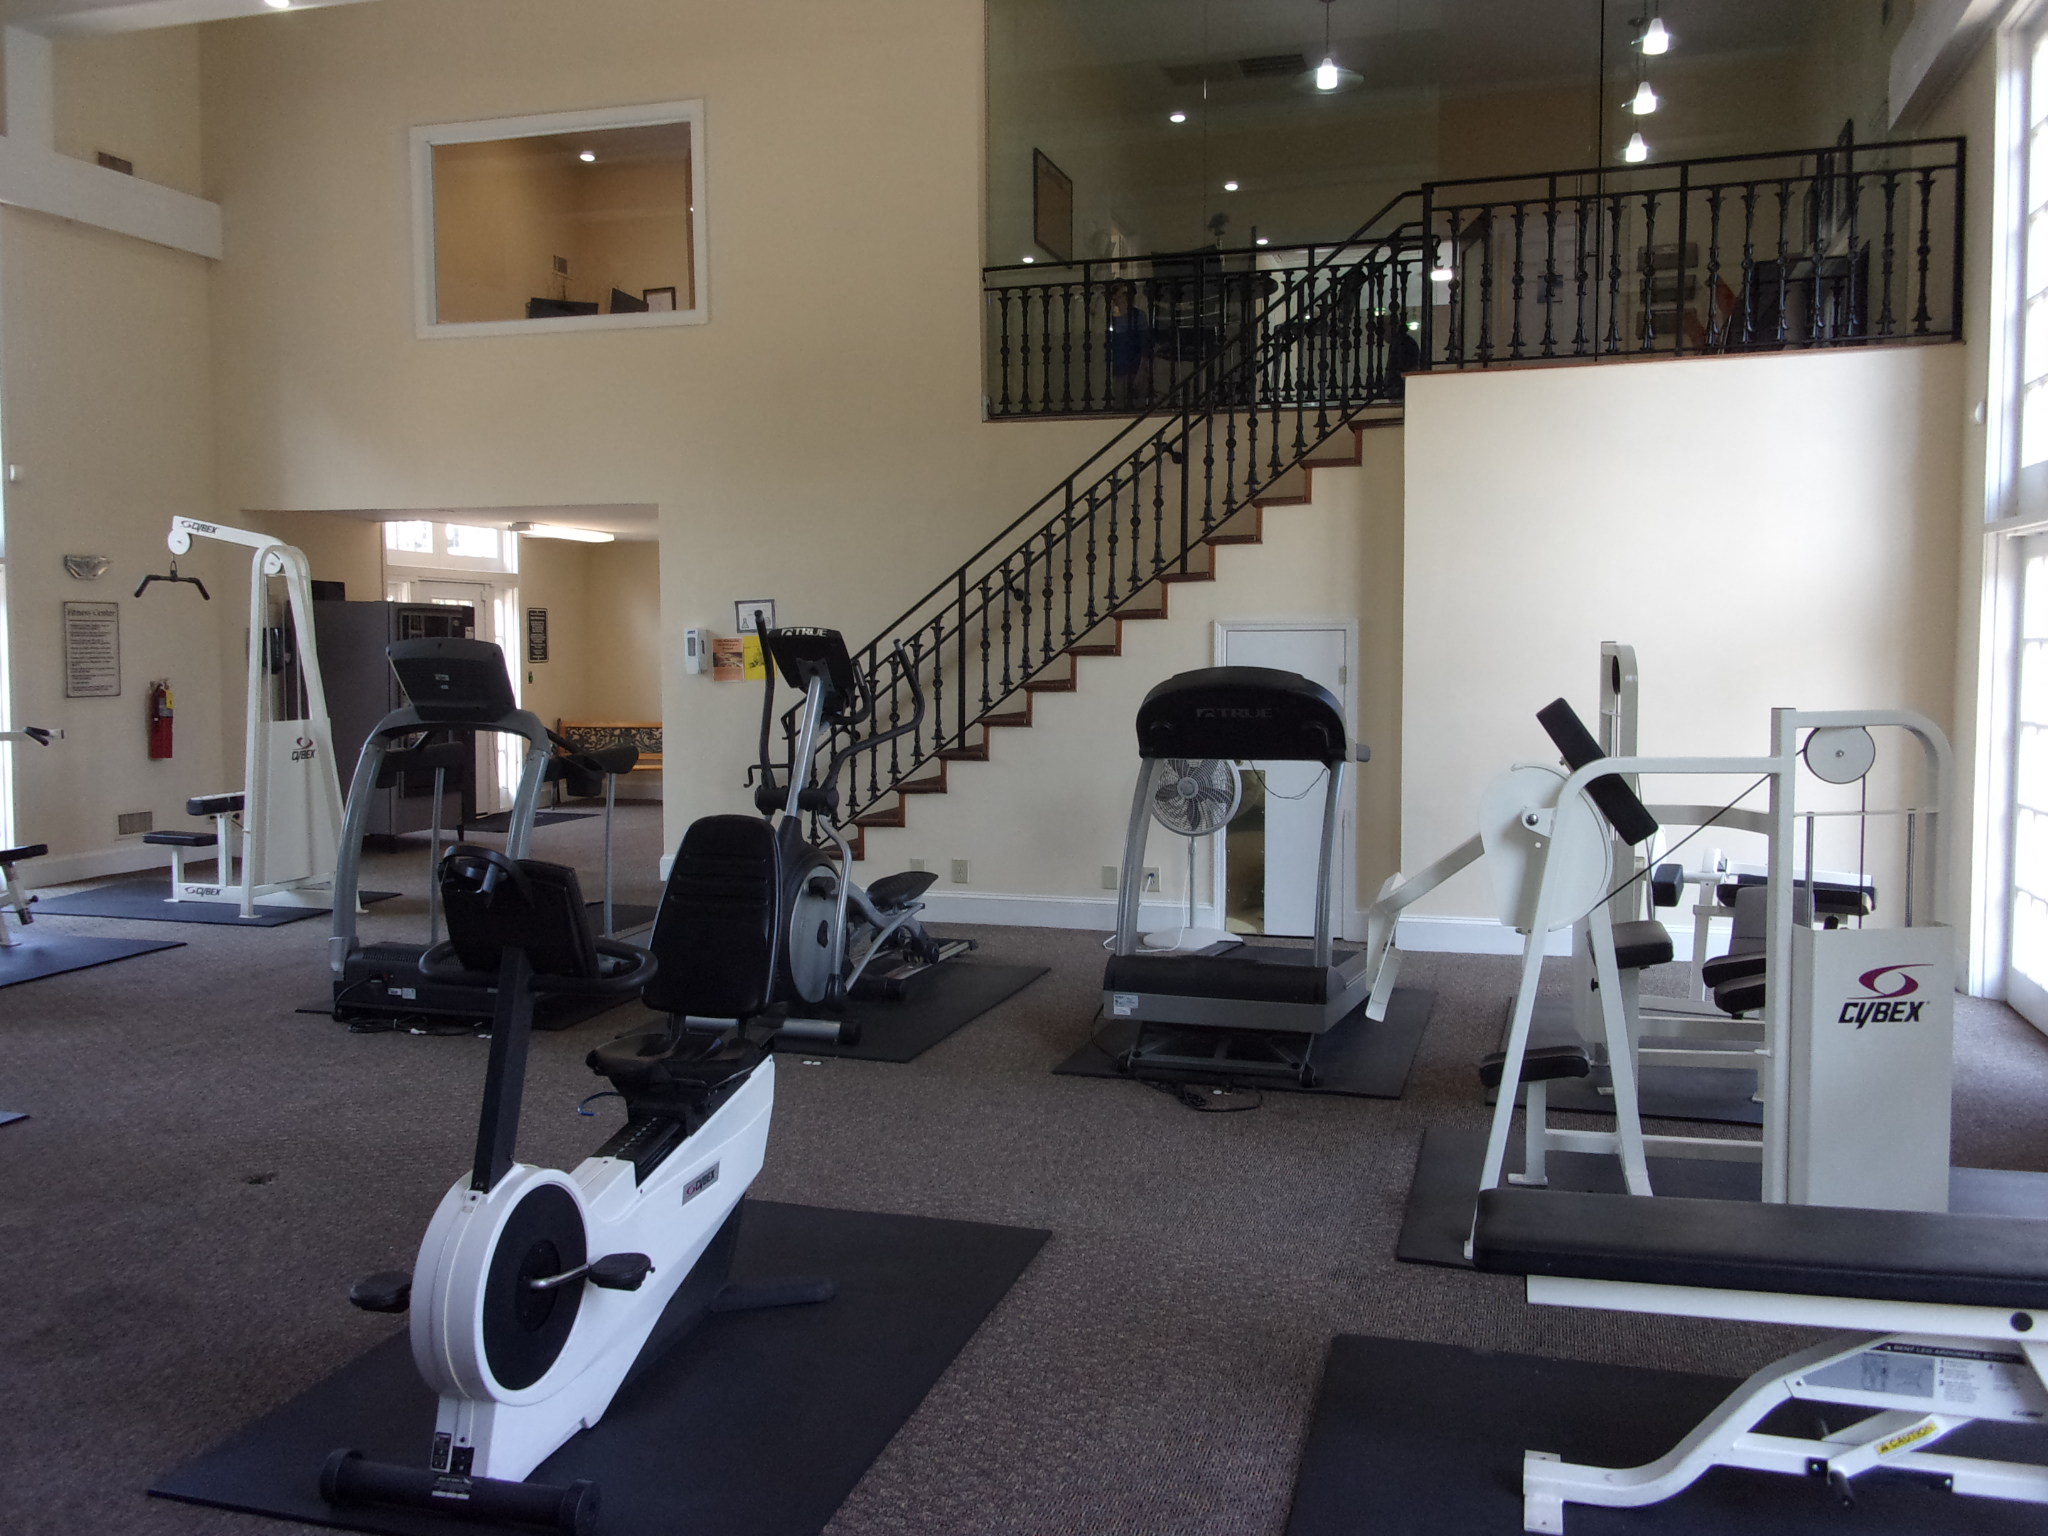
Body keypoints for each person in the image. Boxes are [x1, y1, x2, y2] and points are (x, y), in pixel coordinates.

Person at [1105, 281, 1152, 409]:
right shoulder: (1112, 319)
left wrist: (1142, 370)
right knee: (1120, 403)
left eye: (1123, 295)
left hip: (1136, 366)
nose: (1120, 299)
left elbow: (1144, 345)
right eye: (1119, 296)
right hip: (1120, 368)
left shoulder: (1139, 316)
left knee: (1139, 404)